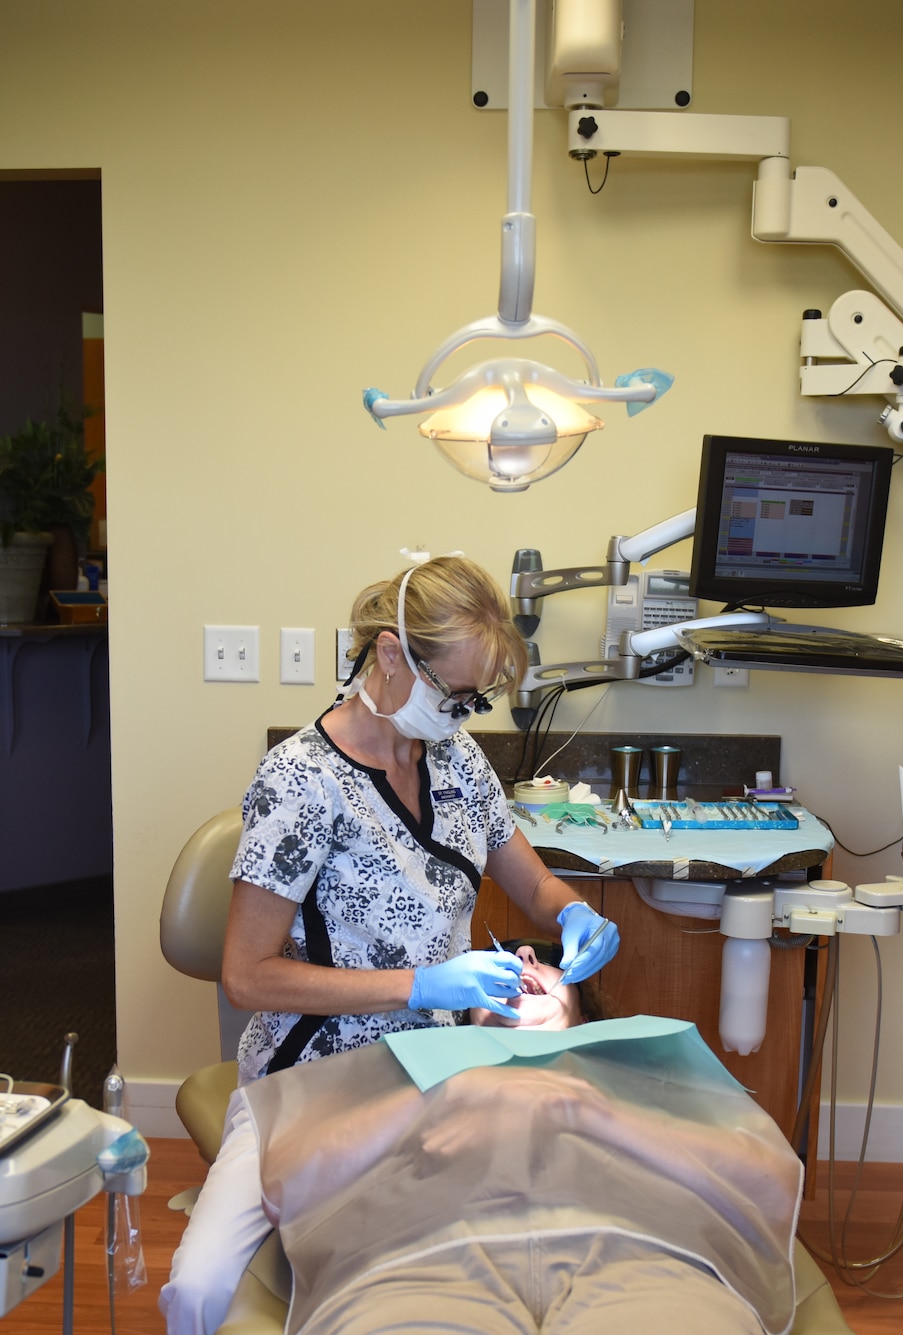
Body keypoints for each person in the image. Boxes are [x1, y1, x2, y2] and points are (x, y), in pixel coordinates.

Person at [161, 959, 803, 1335]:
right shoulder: (406, 1066)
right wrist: (449, 1094)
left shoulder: (638, 1063)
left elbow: (763, 1175)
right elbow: (291, 1164)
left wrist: (587, 1106)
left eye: (542, 960)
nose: (521, 959)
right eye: (504, 961)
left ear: (582, 1005)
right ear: (461, 1009)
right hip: (421, 1262)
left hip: (642, 1261)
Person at [221, 555, 620, 1082]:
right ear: (391, 655)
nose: (461, 713)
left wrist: (575, 915)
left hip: (441, 1060)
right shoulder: (302, 779)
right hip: (322, 1068)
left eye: (475, 699)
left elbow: (535, 885)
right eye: (454, 694)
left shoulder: (457, 758)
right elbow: (246, 978)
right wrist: (419, 985)